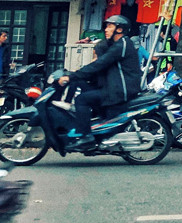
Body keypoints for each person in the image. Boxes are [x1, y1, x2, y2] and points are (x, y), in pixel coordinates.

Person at [58, 16, 141, 147]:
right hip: (113, 86)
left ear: (119, 29)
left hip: (120, 90)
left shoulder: (122, 45)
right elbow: (97, 66)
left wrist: (71, 76)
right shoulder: (116, 45)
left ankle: (86, 137)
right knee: (79, 83)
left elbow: (99, 64)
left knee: (82, 99)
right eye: (106, 26)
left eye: (110, 26)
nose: (106, 29)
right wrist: (75, 76)